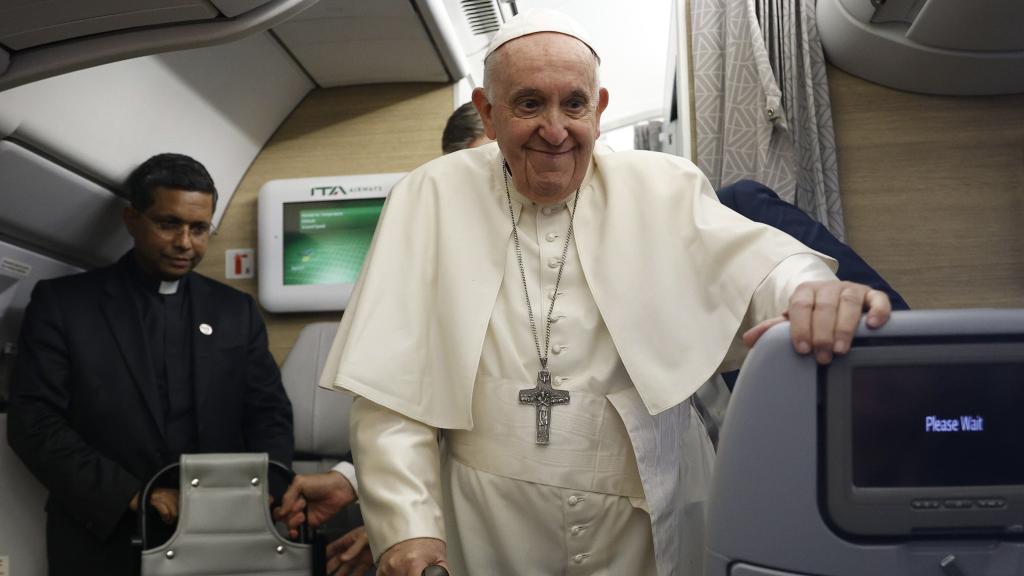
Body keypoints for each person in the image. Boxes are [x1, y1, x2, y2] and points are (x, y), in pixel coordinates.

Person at [313, 9, 890, 576]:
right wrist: (407, 525)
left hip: (646, 510)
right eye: (530, 104)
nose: (556, 130)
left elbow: (765, 270)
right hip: (489, 518)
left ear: (600, 108)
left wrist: (816, 293)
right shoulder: (429, 197)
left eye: (574, 104)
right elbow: (391, 392)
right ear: (487, 114)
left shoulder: (661, 186)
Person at [7, 153, 294, 576]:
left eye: (199, 229)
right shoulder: (65, 305)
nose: (185, 243)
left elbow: (268, 412)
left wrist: (263, 493)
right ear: (132, 219)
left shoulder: (235, 312)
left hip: (219, 536)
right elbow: (33, 421)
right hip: (101, 538)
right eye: (168, 224)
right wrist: (135, 495)